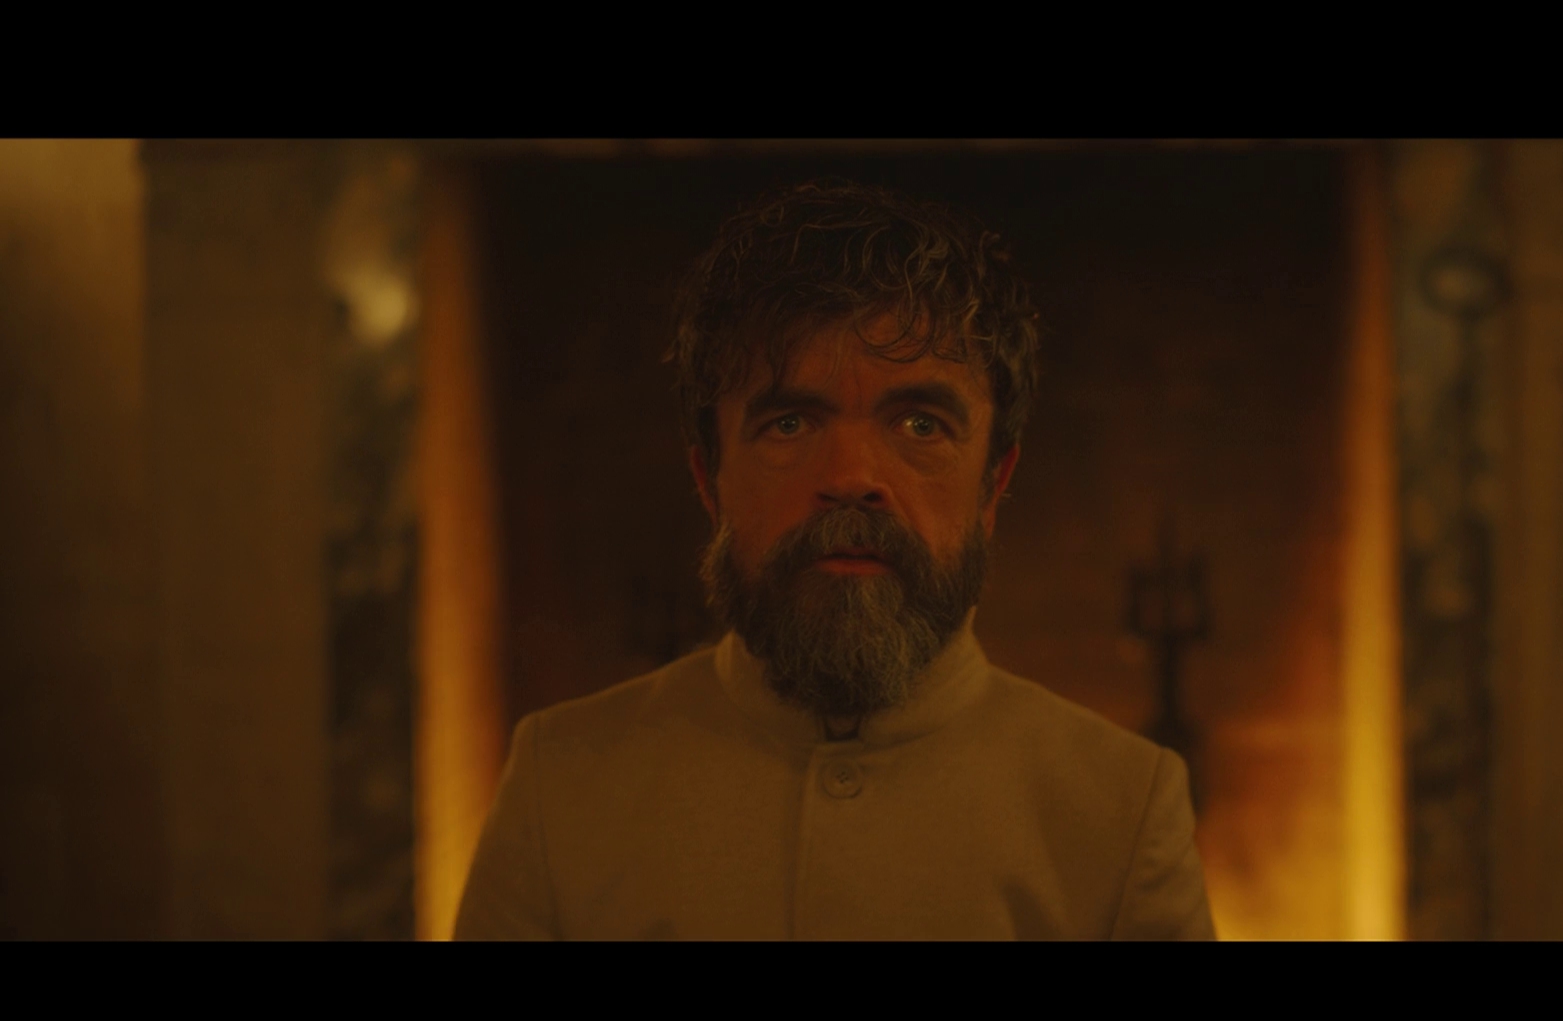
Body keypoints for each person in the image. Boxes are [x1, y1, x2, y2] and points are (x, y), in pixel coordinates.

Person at [453, 180, 1216, 940]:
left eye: (920, 424)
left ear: (993, 483)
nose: (851, 477)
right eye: (790, 423)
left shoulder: (1123, 809)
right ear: (709, 480)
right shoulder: (560, 786)